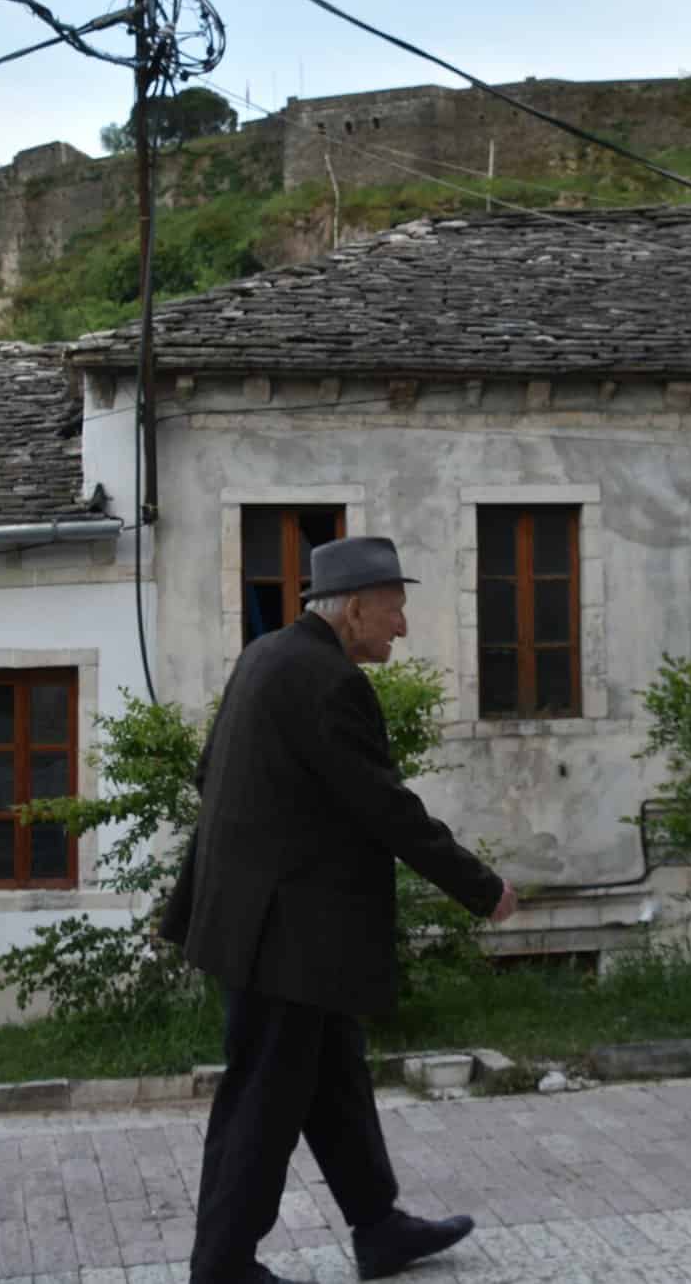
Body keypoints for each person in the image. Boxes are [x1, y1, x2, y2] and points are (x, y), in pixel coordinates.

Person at [161, 535, 520, 1284]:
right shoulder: (330, 683)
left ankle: (378, 1225)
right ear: (354, 609)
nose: (402, 626)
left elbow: (212, 775)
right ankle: (222, 1266)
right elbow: (385, 808)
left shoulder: (264, 656)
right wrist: (481, 887)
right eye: (394, 610)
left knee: (335, 1078)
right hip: (285, 935)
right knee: (262, 1098)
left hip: (267, 925)